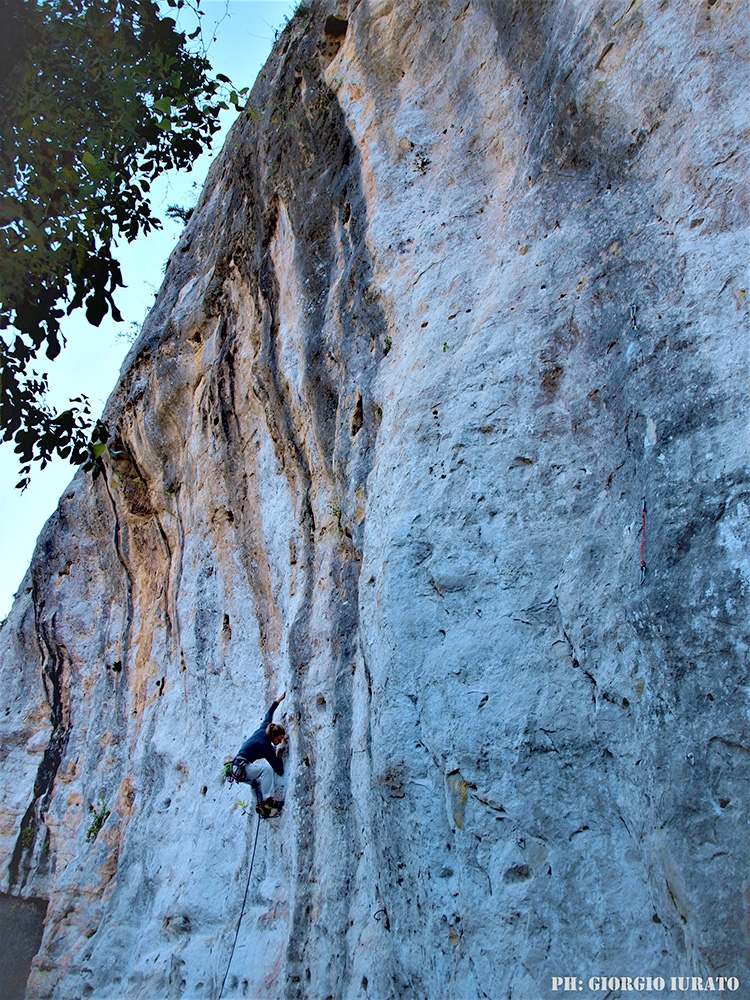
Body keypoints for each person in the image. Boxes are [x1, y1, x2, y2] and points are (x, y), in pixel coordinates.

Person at [229, 691, 287, 816]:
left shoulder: (265, 727)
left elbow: (269, 713)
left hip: (237, 767)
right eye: (278, 739)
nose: (279, 742)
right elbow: (279, 769)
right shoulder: (265, 746)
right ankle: (268, 802)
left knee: (258, 782)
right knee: (266, 770)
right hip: (241, 768)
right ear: (273, 736)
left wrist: (280, 699)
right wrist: (279, 754)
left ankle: (261, 807)